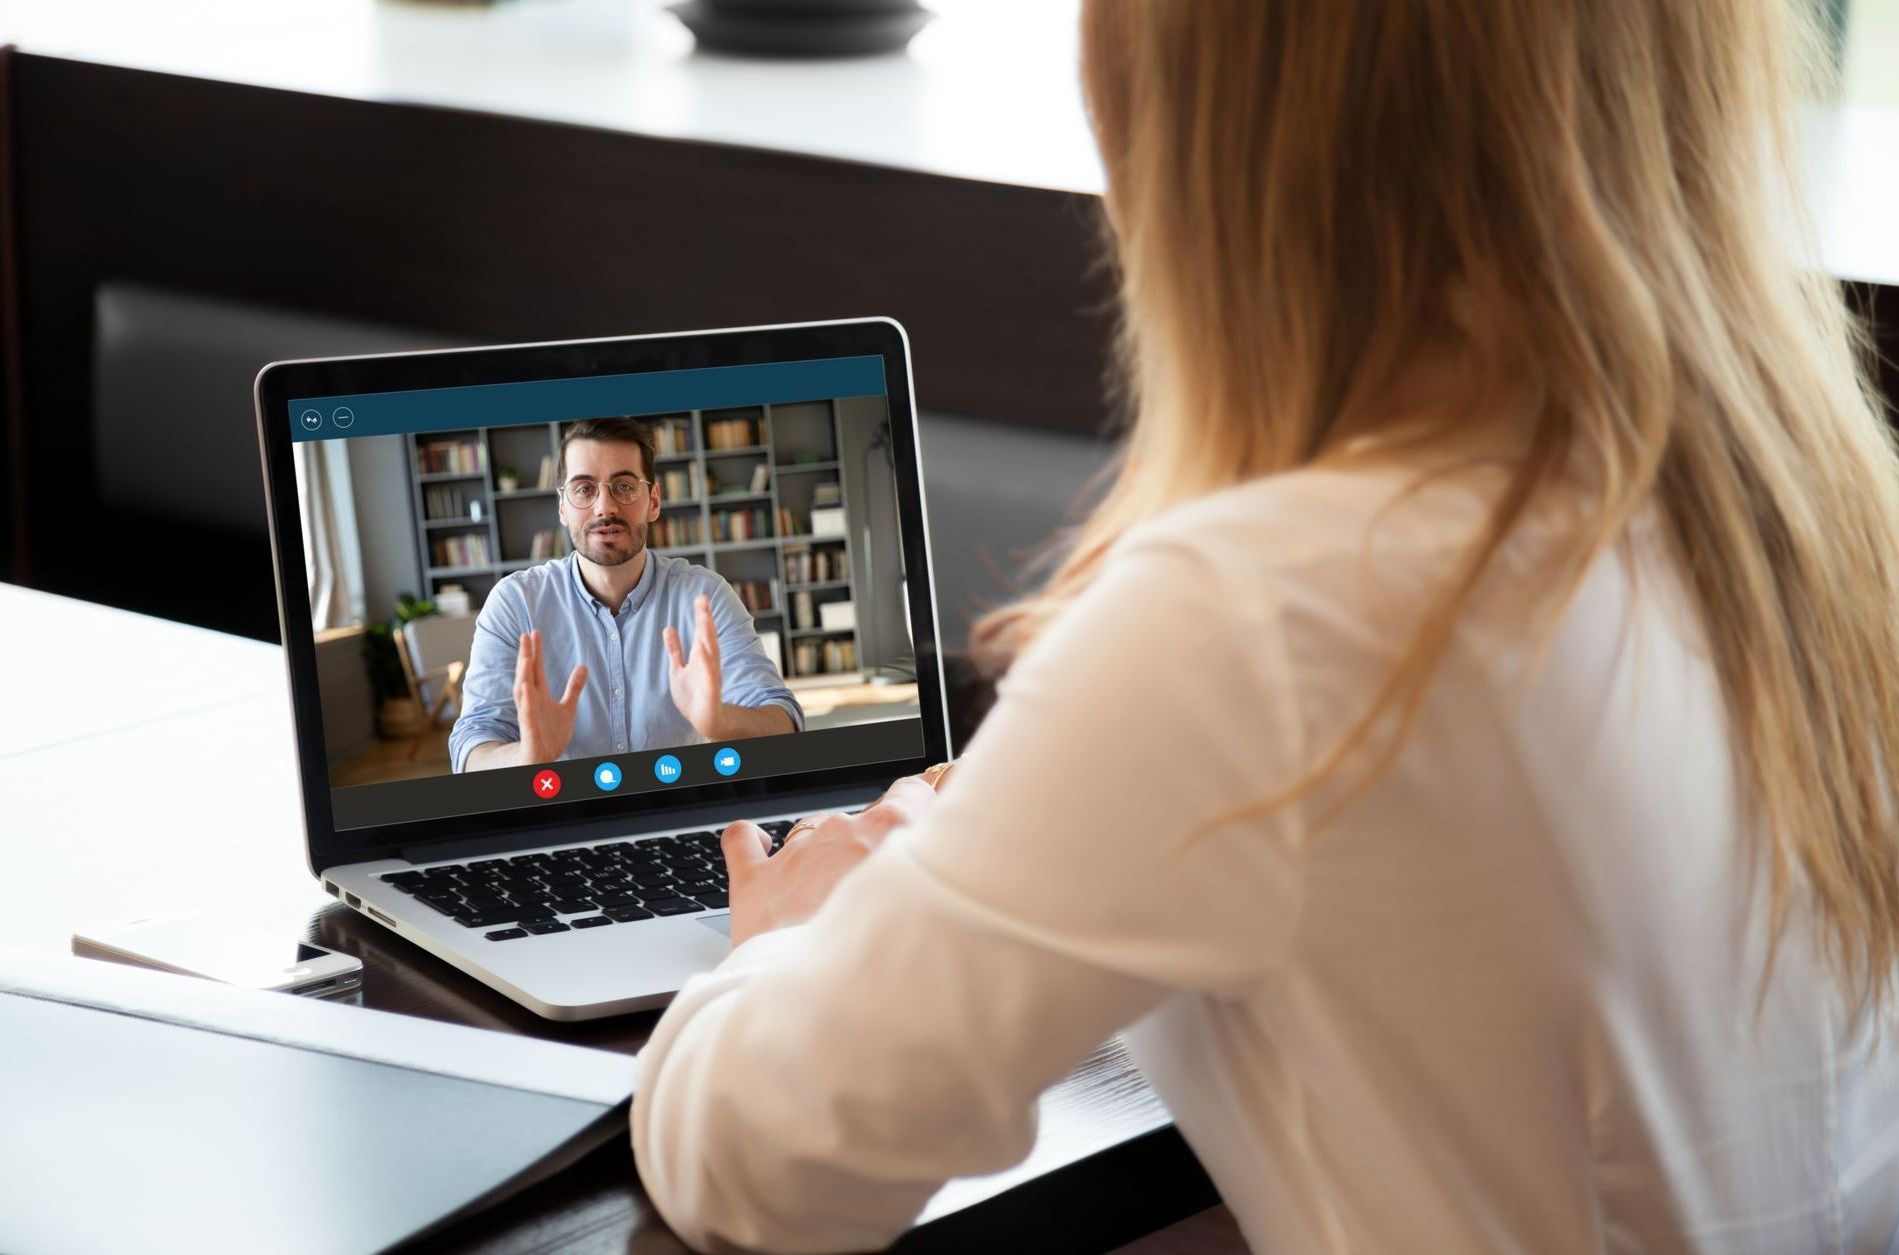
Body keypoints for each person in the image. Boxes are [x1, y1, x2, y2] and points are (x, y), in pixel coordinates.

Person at [634, 2, 1899, 1250]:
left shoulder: (1267, 616)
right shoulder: (1818, 524)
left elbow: (765, 1163)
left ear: (1199, 133)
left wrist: (803, 943)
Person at [450, 417, 801, 773]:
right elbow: (472, 750)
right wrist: (528, 755)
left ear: (653, 501)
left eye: (623, 486)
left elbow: (784, 721)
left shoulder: (704, 596)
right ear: (562, 507)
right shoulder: (514, 604)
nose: (605, 507)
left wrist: (721, 721)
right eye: (584, 489)